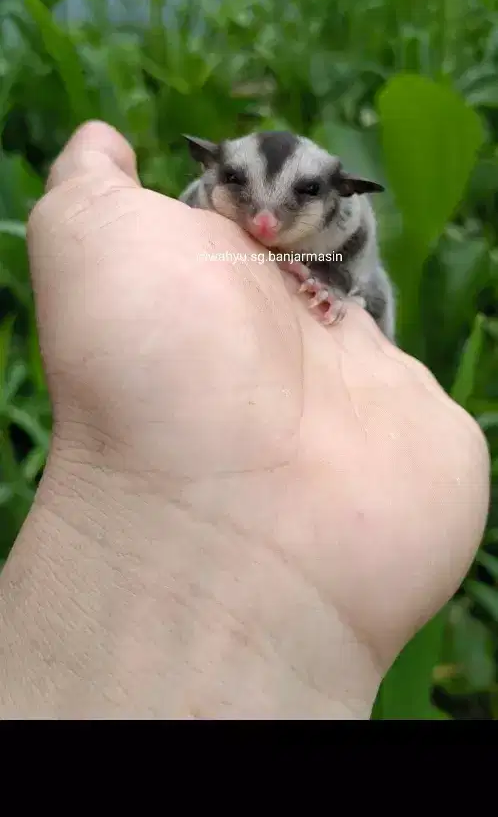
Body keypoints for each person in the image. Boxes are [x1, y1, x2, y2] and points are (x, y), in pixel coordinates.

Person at [0, 121, 490, 719]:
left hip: (348, 312)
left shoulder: (343, 223)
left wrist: (335, 285)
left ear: (339, 192)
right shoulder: (200, 207)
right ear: (212, 170)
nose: (264, 221)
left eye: (300, 198)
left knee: (367, 293)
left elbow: (354, 263)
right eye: (239, 187)